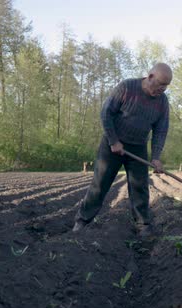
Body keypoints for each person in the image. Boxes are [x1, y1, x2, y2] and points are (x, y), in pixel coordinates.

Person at [72, 63, 173, 236]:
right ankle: (82, 220)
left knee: (140, 186)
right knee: (100, 183)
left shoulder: (162, 102)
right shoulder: (127, 87)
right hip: (113, 144)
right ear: (150, 77)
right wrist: (113, 140)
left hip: (138, 146)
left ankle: (143, 225)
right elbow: (106, 113)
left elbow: (161, 130)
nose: (162, 89)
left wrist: (156, 157)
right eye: (160, 84)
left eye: (166, 86)